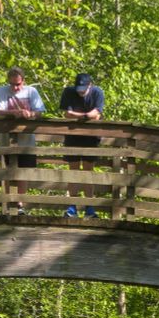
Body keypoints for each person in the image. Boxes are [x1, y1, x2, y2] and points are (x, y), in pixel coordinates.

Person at [0, 66, 46, 215]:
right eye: (12, 84)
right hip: (6, 139)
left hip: (27, 140)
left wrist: (30, 114)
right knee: (8, 171)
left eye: (18, 84)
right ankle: (9, 203)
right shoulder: (3, 91)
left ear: (24, 81)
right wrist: (14, 113)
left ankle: (20, 204)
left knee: (24, 172)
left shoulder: (31, 92)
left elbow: (40, 112)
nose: (15, 88)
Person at [59, 73, 104, 218]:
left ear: (90, 85)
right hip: (72, 136)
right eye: (79, 87)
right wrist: (86, 116)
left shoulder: (97, 92)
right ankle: (72, 207)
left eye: (84, 87)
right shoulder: (69, 91)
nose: (80, 90)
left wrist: (78, 115)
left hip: (91, 137)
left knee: (88, 172)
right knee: (73, 171)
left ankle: (89, 208)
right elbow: (67, 114)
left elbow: (97, 113)